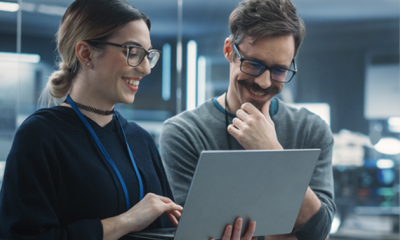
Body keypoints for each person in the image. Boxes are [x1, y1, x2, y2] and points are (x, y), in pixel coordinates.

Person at [0, 1, 256, 240]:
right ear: (86, 53)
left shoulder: (140, 140)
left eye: (148, 55)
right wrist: (124, 221)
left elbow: (167, 231)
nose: (145, 68)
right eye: (133, 52)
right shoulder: (40, 136)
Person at [160, 0, 336, 239]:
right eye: (254, 64)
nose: (264, 82)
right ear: (229, 51)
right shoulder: (183, 132)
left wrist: (271, 151)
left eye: (279, 70)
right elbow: (192, 232)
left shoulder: (311, 129)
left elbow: (319, 229)